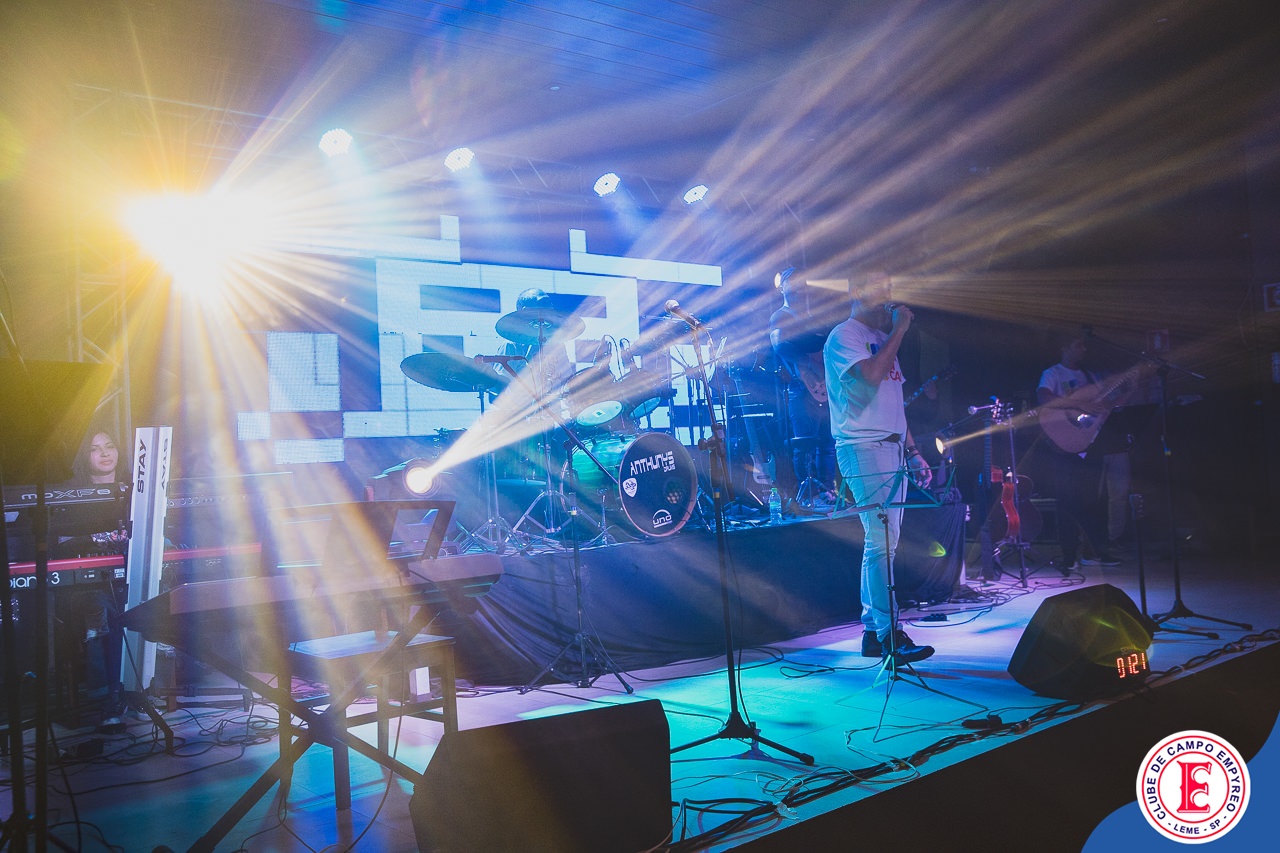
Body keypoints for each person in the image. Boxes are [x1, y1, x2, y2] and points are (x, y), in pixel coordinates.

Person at [824, 272, 935, 666]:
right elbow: (870, 378)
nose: (888, 296)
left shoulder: (881, 340)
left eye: (890, 288)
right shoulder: (844, 336)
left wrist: (913, 451)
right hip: (863, 446)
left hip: (891, 447)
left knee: (883, 541)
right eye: (879, 288)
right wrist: (900, 329)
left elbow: (894, 401)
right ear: (857, 292)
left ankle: (873, 632)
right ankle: (890, 636)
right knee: (881, 541)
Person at [57, 427, 130, 721]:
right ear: (84, 457)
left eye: (109, 446)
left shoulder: (134, 489)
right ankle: (109, 694)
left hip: (129, 576)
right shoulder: (73, 495)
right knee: (101, 610)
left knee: (147, 602)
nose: (104, 453)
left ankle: (146, 687)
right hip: (89, 584)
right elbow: (64, 543)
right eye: (95, 448)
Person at [1035, 336, 1123, 570]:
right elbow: (1043, 397)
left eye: (1084, 346)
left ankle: (1095, 551)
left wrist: (1125, 391)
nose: (1084, 349)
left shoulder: (1090, 376)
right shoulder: (1053, 373)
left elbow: (1102, 406)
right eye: (1078, 345)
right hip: (1063, 444)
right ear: (1064, 348)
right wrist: (1077, 405)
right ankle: (1069, 555)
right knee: (1067, 500)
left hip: (1090, 442)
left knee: (1094, 500)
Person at [769, 268, 837, 512]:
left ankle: (828, 491)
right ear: (782, 287)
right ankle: (809, 494)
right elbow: (779, 346)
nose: (798, 286)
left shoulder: (811, 316)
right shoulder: (780, 316)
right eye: (792, 282)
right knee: (805, 443)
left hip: (822, 385)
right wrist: (810, 363)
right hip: (801, 388)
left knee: (828, 443)